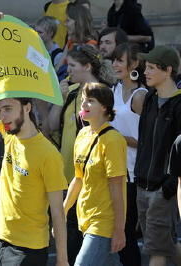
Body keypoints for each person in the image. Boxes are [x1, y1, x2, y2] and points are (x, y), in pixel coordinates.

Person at [48, 44, 114, 265]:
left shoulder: (103, 94)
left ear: (87, 66)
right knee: (71, 237)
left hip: (93, 178)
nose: (69, 71)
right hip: (68, 173)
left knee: (84, 243)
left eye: (73, 66)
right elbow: (49, 126)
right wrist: (59, 98)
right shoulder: (72, 90)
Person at [0, 97, 68, 266]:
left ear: (27, 108)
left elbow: (58, 212)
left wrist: (62, 260)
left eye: (8, 109)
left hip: (27, 249)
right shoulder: (8, 133)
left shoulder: (48, 154)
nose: (2, 116)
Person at [63, 82, 127, 266]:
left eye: (90, 101)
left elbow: (117, 188)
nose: (83, 105)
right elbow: (78, 179)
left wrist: (119, 230)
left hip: (103, 222)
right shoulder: (82, 134)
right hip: (86, 219)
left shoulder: (113, 140)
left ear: (105, 107)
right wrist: (63, 210)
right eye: (83, 100)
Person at [135, 45, 181, 266]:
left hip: (162, 190)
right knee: (162, 246)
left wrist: (169, 186)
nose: (146, 72)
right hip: (142, 184)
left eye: (152, 67)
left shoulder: (179, 106)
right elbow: (144, 141)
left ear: (168, 70)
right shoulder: (151, 100)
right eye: (146, 67)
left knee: (156, 251)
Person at [110, 42, 147, 266]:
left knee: (127, 233)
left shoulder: (140, 95)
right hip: (114, 170)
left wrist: (114, 138)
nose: (114, 64)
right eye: (113, 60)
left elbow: (146, 142)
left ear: (133, 64)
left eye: (119, 60)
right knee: (119, 231)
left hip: (133, 173)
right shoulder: (114, 90)